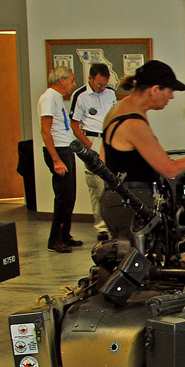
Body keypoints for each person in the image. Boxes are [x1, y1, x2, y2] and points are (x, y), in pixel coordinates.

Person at [97, 61, 185, 246]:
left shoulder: (119, 109)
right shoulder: (134, 122)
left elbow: (105, 157)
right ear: (155, 89)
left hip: (116, 197)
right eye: (170, 91)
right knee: (136, 266)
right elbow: (170, 170)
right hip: (131, 200)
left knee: (126, 259)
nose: (172, 97)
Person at [70, 63, 118, 242]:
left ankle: (115, 223)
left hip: (111, 141)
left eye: (105, 84)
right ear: (90, 78)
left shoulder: (111, 93)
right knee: (97, 187)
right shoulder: (80, 96)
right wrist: (89, 147)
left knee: (114, 185)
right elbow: (75, 126)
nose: (103, 88)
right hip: (93, 140)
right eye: (99, 84)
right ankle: (101, 228)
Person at [39, 66, 79, 253]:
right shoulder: (48, 98)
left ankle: (65, 235)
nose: (73, 84)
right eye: (71, 80)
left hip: (65, 149)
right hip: (58, 153)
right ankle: (56, 240)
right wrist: (56, 160)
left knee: (70, 197)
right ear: (61, 80)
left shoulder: (57, 98)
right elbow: (45, 131)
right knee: (63, 198)